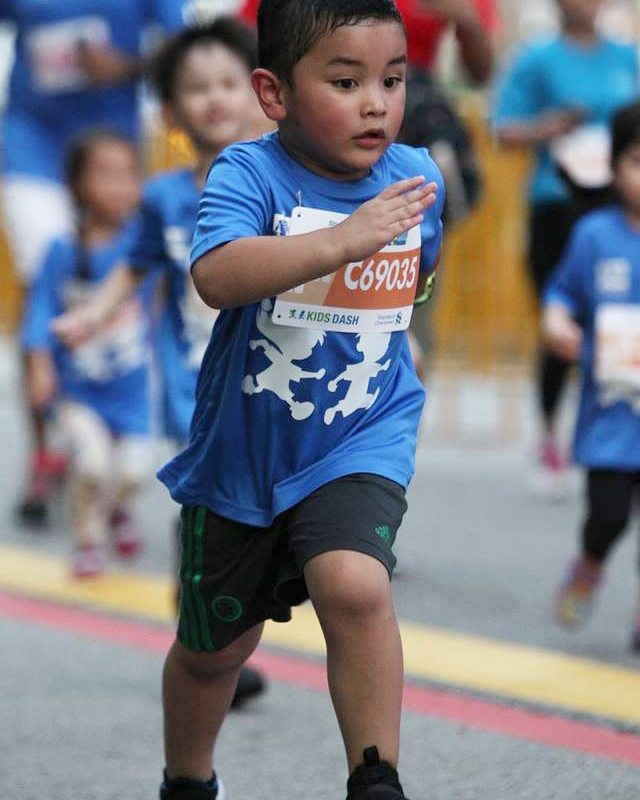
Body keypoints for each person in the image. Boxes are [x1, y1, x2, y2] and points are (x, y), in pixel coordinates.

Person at [152, 1, 444, 798]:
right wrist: (344, 241)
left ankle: (375, 777)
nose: (376, 102)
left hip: (361, 432)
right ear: (274, 95)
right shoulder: (248, 172)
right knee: (212, 657)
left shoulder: (420, 179)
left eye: (392, 79)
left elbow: (413, 284)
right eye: (346, 81)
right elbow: (216, 275)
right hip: (243, 459)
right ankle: (187, 779)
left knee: (354, 585)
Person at [53, 17, 266, 709]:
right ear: (170, 111)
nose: (214, 99)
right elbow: (135, 270)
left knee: (261, 512)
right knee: (206, 503)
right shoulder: (164, 197)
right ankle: (205, 634)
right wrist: (91, 314)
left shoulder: (279, 183)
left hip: (268, 374)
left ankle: (234, 631)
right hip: (193, 379)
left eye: (229, 84)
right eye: (195, 88)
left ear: (262, 93)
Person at [0, 0, 186, 526]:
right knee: (48, 278)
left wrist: (125, 65)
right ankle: (47, 449)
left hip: (111, 158)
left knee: (115, 286)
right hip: (30, 144)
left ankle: (106, 425)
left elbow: (184, 51)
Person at [492, 0, 638, 493]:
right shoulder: (537, 58)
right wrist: (548, 128)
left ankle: (613, 441)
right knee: (562, 318)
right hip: (560, 206)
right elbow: (504, 129)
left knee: (621, 320)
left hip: (618, 209)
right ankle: (549, 434)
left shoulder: (626, 57)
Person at [21, 130, 151, 578]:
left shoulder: (142, 245)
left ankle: (114, 509)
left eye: (129, 174)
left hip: (132, 392)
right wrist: (39, 367)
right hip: (79, 391)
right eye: (105, 173)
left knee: (136, 470)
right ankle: (89, 539)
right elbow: (38, 313)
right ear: (77, 185)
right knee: (93, 463)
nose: (120, 185)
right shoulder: (62, 248)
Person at [543, 100, 640, 652]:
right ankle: (589, 562)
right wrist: (557, 324)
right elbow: (562, 293)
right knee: (607, 516)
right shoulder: (594, 235)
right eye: (637, 160)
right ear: (614, 164)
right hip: (610, 416)